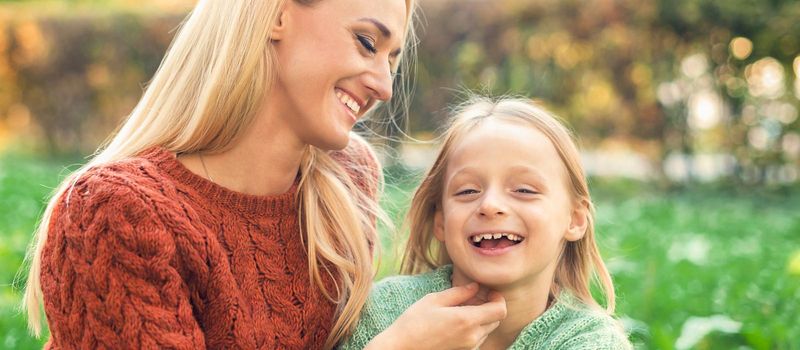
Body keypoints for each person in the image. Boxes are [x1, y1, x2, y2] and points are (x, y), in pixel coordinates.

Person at [21, 1, 506, 349]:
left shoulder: (345, 180)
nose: (383, 85)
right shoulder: (115, 214)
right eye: (366, 43)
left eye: (392, 60)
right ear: (276, 14)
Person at [340, 96, 633, 349]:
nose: (490, 205)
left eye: (524, 190)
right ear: (440, 220)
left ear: (575, 219)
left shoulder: (593, 342)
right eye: (467, 191)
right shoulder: (384, 313)